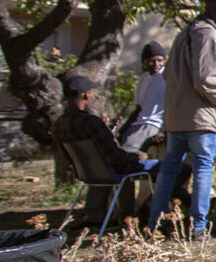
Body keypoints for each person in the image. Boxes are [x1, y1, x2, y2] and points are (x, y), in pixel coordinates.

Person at [146, 0, 216, 239]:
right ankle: (198, 226)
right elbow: (207, 79)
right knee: (203, 168)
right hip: (200, 117)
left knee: (169, 169)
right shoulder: (208, 34)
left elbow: (168, 75)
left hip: (177, 116)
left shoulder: (184, 34)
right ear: (209, 8)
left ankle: (154, 222)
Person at [52, 75, 189, 222]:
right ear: (85, 95)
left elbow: (75, 154)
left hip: (90, 174)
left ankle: (157, 205)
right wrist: (137, 156)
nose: (93, 97)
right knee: (182, 169)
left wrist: (108, 134)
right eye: (93, 94)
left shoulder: (59, 124)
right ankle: (154, 207)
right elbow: (115, 158)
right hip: (116, 171)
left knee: (167, 172)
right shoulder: (92, 123)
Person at [117, 41, 167, 152]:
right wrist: (122, 130)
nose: (156, 64)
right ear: (144, 63)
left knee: (126, 152)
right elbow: (139, 108)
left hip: (152, 124)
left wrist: (164, 131)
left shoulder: (167, 77)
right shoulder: (143, 79)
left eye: (159, 60)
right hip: (138, 123)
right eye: (152, 61)